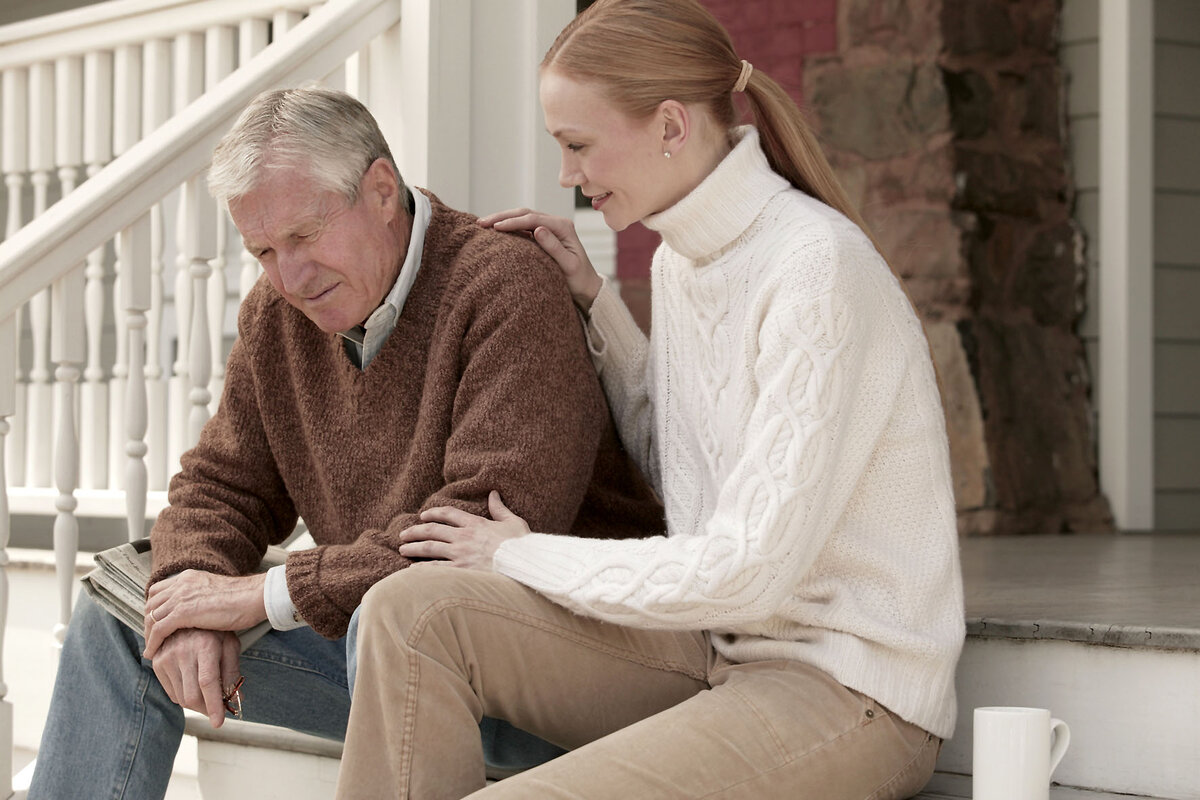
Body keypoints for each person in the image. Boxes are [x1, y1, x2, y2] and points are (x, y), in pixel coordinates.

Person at [335, 0, 966, 798]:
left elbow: (747, 569)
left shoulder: (814, 268)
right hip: (713, 646)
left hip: (849, 691)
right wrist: (599, 304)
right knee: (409, 613)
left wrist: (518, 553)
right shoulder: (682, 262)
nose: (567, 175)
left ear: (671, 124)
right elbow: (688, 468)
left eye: (578, 145)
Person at [27, 85, 664, 800]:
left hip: (554, 676)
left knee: (395, 615)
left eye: (304, 235)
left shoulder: (505, 285)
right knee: (121, 610)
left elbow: (476, 534)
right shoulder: (279, 315)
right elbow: (220, 485)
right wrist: (189, 598)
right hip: (382, 654)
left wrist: (267, 594)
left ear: (382, 191)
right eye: (263, 249)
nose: (288, 276)